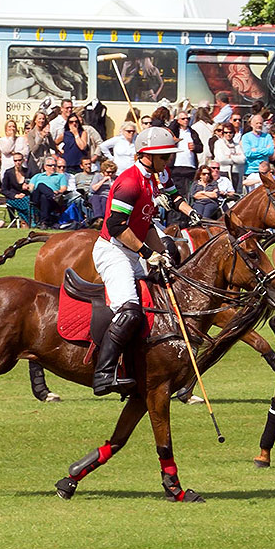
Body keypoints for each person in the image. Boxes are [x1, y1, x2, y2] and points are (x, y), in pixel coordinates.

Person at [84, 128, 181, 396]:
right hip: (113, 250)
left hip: (132, 249)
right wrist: (147, 253)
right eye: (164, 157)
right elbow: (116, 226)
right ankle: (104, 374)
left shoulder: (151, 181)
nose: (168, 161)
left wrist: (162, 256)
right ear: (146, 156)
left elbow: (146, 223)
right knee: (129, 310)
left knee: (158, 299)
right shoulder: (130, 182)